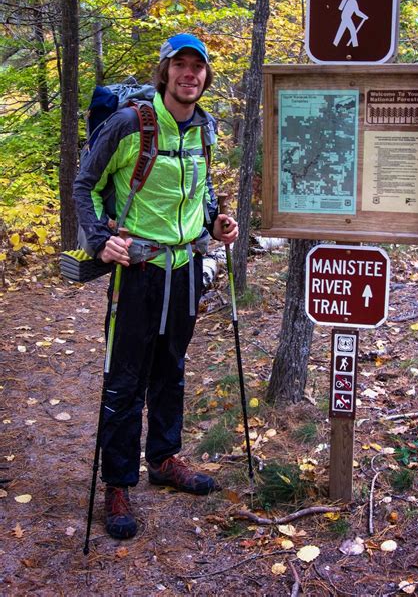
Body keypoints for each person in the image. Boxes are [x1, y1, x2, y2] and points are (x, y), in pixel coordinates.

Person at [73, 34, 238, 540]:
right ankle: (118, 483)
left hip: (186, 266)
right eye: (181, 66)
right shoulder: (130, 124)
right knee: (125, 378)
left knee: (172, 368)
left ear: (205, 76)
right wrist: (102, 240)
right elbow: (86, 184)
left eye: (198, 67)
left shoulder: (205, 129)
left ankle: (164, 458)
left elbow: (202, 190)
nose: (190, 75)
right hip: (138, 270)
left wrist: (215, 222)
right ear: (165, 72)